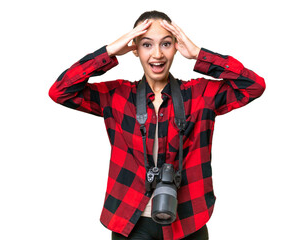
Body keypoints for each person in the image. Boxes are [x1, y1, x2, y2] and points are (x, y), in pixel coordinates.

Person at [49, 10, 265, 240]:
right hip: (131, 221)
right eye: (147, 44)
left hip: (188, 219)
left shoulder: (199, 95)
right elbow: (60, 91)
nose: (158, 54)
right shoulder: (117, 96)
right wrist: (109, 51)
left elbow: (253, 86)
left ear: (176, 46)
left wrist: (199, 54)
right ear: (135, 49)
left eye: (166, 43)